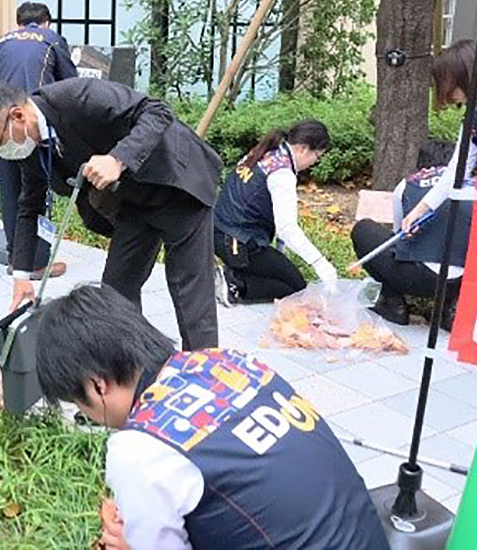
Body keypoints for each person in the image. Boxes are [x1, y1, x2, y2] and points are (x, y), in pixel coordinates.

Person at [35, 285, 390, 550]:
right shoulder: (226, 362)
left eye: (78, 406)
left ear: (97, 386)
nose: (88, 416)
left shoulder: (138, 447)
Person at [0, 78, 223, 351]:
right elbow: (29, 207)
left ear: (17, 116)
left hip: (175, 181)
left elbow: (157, 111)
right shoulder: (29, 149)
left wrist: (117, 159)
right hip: (132, 203)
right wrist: (22, 277)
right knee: (115, 293)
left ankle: (202, 373)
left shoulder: (75, 97)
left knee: (189, 293)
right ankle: (135, 366)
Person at [351, 39, 475, 328]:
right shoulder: (472, 119)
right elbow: (456, 171)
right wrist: (421, 209)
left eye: (448, 84)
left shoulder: (407, 184)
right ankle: (451, 307)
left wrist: (415, 211)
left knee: (369, 234)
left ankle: (394, 302)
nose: (448, 94)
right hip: (464, 273)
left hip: (429, 275)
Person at [0, 1, 77, 278]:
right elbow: (70, 84)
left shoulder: (2, 42)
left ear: (18, 23)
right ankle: (36, 261)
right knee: (37, 191)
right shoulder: (52, 39)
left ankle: (17, 257)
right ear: (46, 21)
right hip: (35, 124)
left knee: (12, 190)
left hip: (3, 125)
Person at [214, 120, 337, 305]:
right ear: (303, 148)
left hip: (219, 232)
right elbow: (286, 228)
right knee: (295, 289)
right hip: (238, 243)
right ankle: (235, 283)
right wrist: (320, 263)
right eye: (317, 156)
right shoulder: (282, 174)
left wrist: (279, 254)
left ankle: (235, 273)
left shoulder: (269, 152)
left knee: (284, 275)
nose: (314, 163)